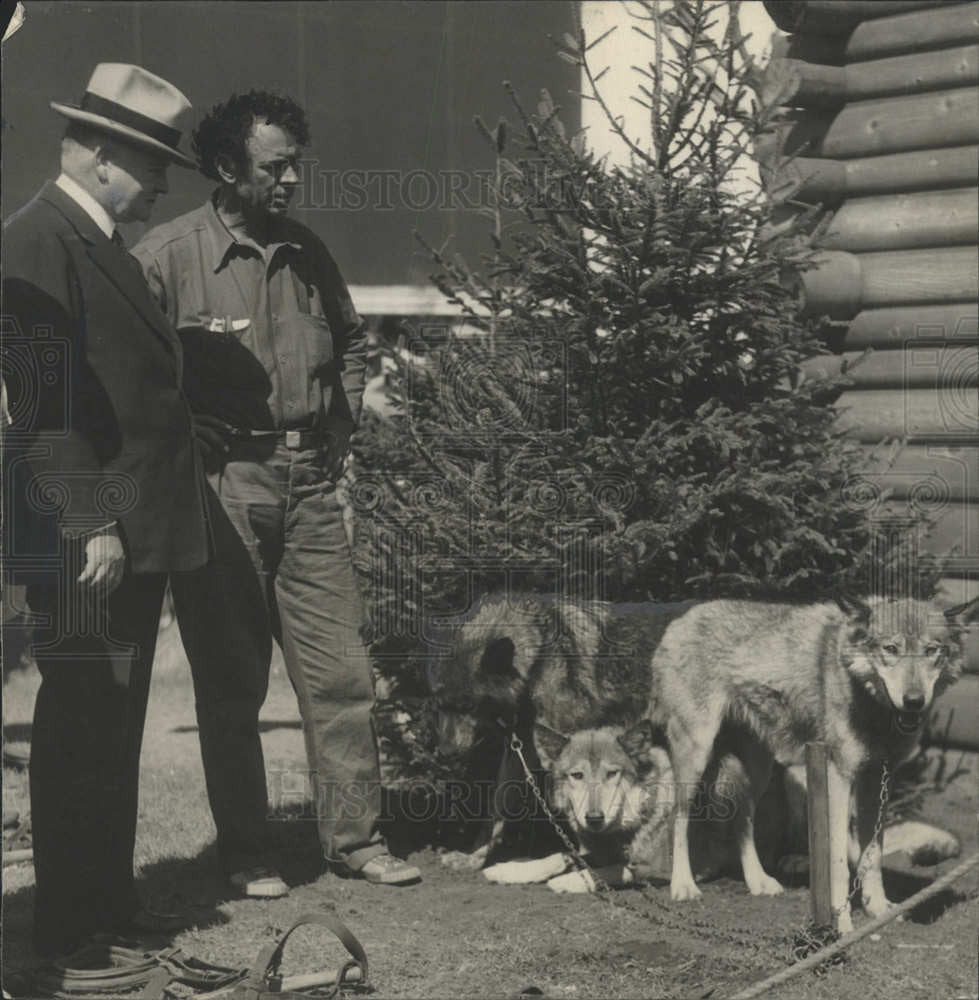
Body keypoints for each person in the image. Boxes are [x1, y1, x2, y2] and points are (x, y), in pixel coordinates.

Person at [133, 91, 420, 886]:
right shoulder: (167, 256)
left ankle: (356, 842)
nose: (291, 180)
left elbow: (352, 343)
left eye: (296, 164)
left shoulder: (305, 251)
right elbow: (130, 375)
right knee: (232, 682)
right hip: (222, 491)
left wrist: (341, 427)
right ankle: (247, 853)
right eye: (274, 166)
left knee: (340, 676)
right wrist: (186, 432)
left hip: (311, 489)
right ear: (226, 168)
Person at [2, 63, 212, 956]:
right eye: (150, 163)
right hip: (81, 529)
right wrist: (89, 520)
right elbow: (42, 402)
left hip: (122, 529)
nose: (163, 183)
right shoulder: (37, 243)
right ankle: (67, 930)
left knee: (113, 727)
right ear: (94, 157)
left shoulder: (97, 242)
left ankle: (108, 904)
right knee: (80, 726)